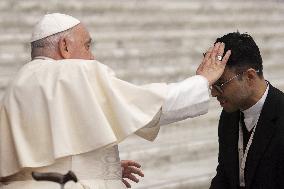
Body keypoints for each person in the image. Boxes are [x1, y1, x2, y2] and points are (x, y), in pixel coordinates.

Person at [0, 13, 230, 189]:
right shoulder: (76, 72)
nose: (92, 56)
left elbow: (34, 161)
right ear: (65, 47)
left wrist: (94, 167)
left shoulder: (16, 86)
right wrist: (202, 81)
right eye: (87, 45)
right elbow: (152, 105)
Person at [209, 32, 284, 189]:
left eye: (220, 84)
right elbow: (224, 174)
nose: (213, 93)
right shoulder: (229, 115)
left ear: (250, 76)